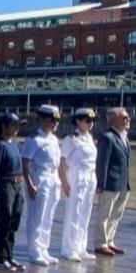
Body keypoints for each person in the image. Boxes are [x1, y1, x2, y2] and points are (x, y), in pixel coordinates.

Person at [21, 104, 63, 266]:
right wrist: (30, 184)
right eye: (52, 120)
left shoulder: (53, 139)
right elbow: (25, 163)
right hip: (40, 177)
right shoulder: (34, 139)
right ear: (42, 120)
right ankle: (34, 250)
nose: (55, 123)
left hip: (53, 178)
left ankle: (44, 248)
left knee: (49, 216)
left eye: (57, 120)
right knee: (36, 216)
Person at [0, 112, 26, 273]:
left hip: (18, 185)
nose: (17, 128)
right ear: (4, 126)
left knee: (14, 221)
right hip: (5, 186)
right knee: (4, 221)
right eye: (14, 125)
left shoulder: (15, 144)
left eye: (18, 126)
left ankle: (9, 255)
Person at [59, 107, 98, 263]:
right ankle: (69, 249)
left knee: (85, 213)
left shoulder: (89, 137)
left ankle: (81, 247)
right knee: (73, 212)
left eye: (92, 121)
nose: (91, 123)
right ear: (78, 121)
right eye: (87, 120)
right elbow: (61, 163)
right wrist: (64, 183)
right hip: (77, 175)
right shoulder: (71, 139)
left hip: (90, 175)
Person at [94, 106, 131, 257]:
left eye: (127, 117)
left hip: (123, 184)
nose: (128, 119)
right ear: (113, 120)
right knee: (104, 214)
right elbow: (102, 162)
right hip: (110, 183)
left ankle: (109, 240)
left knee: (116, 215)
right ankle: (100, 243)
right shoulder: (107, 137)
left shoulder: (124, 137)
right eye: (124, 117)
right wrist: (101, 184)